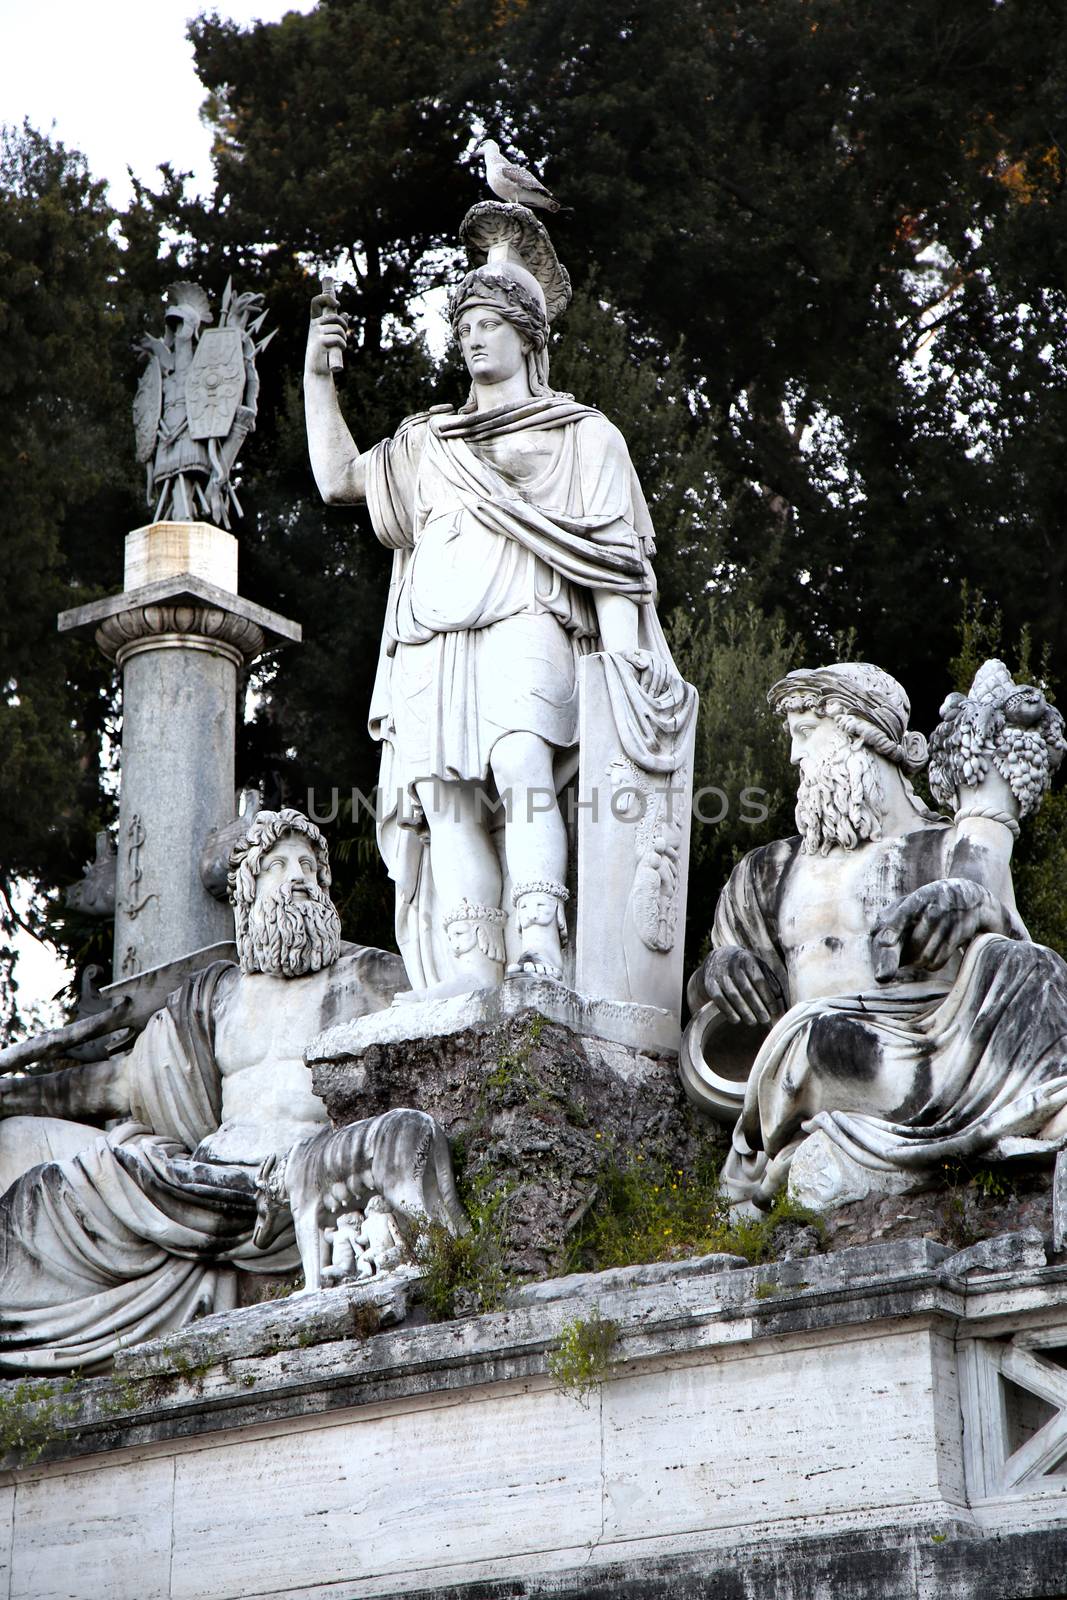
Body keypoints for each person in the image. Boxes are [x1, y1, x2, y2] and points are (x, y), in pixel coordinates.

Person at [304, 223, 690, 996]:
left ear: (528, 338)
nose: (475, 341)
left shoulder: (585, 436)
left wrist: (625, 679)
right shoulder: (427, 440)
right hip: (431, 638)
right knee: (447, 800)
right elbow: (339, 479)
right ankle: (471, 970)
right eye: (466, 328)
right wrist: (318, 378)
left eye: (491, 327)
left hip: (528, 617)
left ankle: (539, 946)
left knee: (519, 769)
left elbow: (614, 565)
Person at [0, 809, 405, 1371]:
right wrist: (15, 1094)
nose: (298, 876)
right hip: (201, 1178)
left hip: (293, 1181)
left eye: (310, 865)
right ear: (247, 890)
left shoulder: (371, 977)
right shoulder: (215, 996)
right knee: (46, 1192)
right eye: (279, 864)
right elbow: (120, 1085)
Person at [692, 663, 1067, 1208]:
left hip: (945, 1049)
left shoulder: (945, 849)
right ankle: (1006, 1117)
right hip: (832, 1059)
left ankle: (1034, 1109)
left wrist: (975, 902)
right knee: (819, 1040)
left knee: (1036, 967)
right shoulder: (766, 872)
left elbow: (1013, 961)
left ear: (859, 735)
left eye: (804, 735)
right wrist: (715, 972)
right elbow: (712, 1006)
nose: (795, 757)